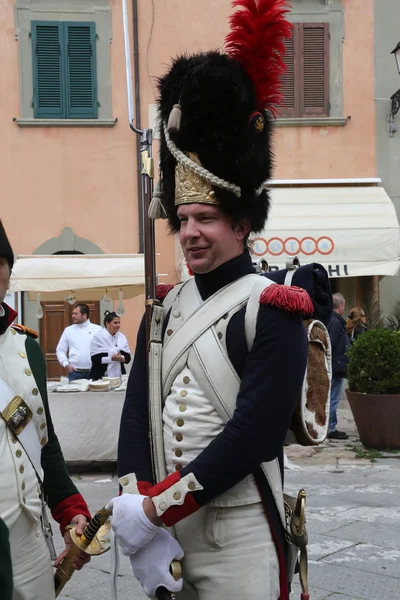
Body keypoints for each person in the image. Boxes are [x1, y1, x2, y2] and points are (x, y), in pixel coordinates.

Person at [106, 3, 316, 599]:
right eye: (183, 218)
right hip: (169, 535)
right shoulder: (163, 313)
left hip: (240, 533)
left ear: (243, 224)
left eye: (208, 219)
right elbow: (136, 417)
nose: (191, 231)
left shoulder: (275, 308)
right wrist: (133, 503)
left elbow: (253, 433)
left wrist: (156, 509)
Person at [0, 220, 91, 600]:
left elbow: (44, 441)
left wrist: (71, 509)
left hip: (28, 541)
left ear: (8, 271)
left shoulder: (26, 348)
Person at [56, 303, 101, 381]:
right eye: (73, 313)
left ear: (84, 315)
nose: (73, 316)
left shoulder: (98, 330)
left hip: (94, 373)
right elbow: (60, 350)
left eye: (75, 314)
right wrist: (66, 364)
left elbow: (105, 350)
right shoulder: (68, 330)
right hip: (74, 373)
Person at [327, 292, 351, 440]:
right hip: (336, 366)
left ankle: (328, 426)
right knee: (333, 398)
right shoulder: (336, 322)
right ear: (340, 306)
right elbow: (331, 344)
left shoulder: (330, 319)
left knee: (330, 397)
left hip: (333, 365)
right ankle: (331, 428)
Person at [90, 311, 131, 381]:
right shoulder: (98, 337)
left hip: (118, 377)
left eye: (119, 323)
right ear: (107, 323)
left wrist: (121, 357)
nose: (118, 325)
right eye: (115, 323)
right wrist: (111, 358)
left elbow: (128, 358)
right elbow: (95, 359)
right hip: (100, 377)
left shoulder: (122, 337)